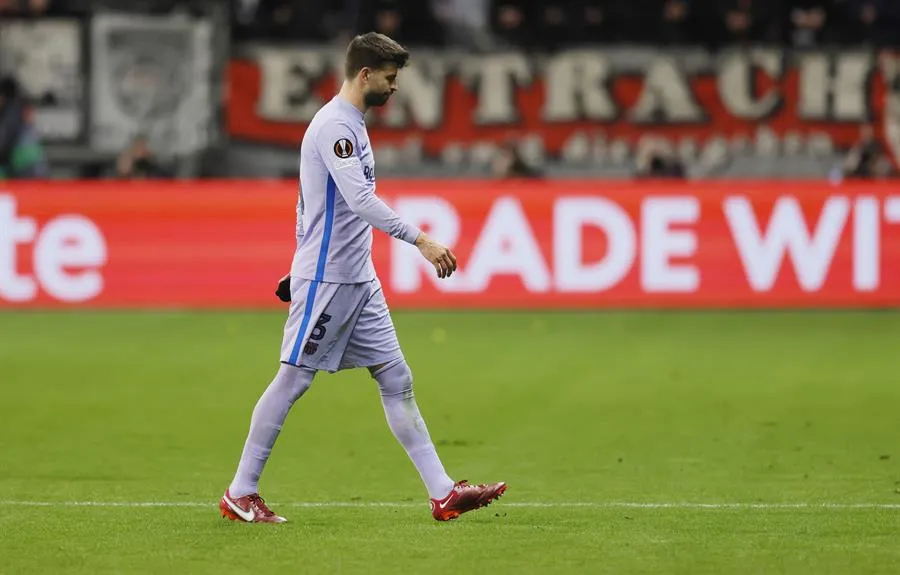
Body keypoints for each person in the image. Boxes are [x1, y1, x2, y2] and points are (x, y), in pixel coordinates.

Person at [219, 32, 507, 524]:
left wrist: (297, 258)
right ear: (366, 74)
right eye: (390, 78)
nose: (395, 87)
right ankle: (241, 492)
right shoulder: (335, 126)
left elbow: (308, 203)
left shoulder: (351, 123)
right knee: (293, 379)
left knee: (396, 377)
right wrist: (421, 240)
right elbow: (359, 201)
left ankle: (443, 493)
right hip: (330, 279)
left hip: (359, 279)